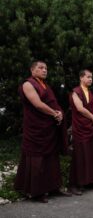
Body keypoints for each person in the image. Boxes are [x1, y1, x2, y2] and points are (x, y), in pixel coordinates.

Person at [15, 61, 70, 203]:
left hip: (49, 128)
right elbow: (37, 104)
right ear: (32, 70)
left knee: (52, 159)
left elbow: (53, 103)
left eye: (46, 68)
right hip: (36, 128)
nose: (44, 70)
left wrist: (60, 114)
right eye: (41, 68)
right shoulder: (28, 84)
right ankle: (36, 192)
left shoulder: (45, 85)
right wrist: (54, 113)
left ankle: (54, 187)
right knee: (37, 159)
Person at [68, 69, 93, 195]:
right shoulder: (75, 92)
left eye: (91, 77)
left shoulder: (90, 93)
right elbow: (80, 108)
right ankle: (74, 184)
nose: (90, 79)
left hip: (89, 128)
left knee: (90, 156)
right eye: (88, 77)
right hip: (80, 129)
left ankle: (88, 181)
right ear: (81, 78)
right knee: (79, 156)